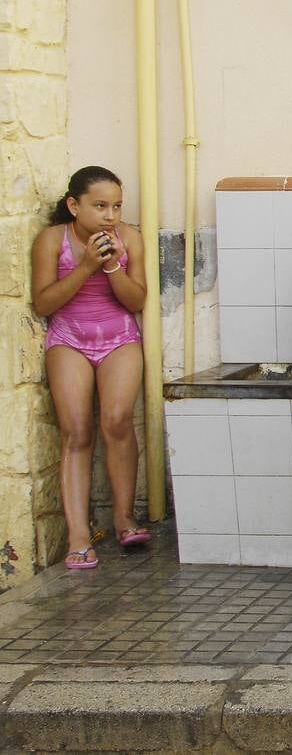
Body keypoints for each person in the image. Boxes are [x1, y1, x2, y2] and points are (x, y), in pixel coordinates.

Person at [31, 167, 150, 570]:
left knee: (117, 421)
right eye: (100, 206)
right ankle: (79, 535)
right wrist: (84, 267)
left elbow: (136, 302)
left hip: (118, 337)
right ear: (73, 205)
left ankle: (124, 517)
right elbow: (44, 304)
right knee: (76, 431)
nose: (110, 215)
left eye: (116, 206)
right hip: (69, 339)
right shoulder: (52, 240)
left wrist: (114, 267)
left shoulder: (129, 238)